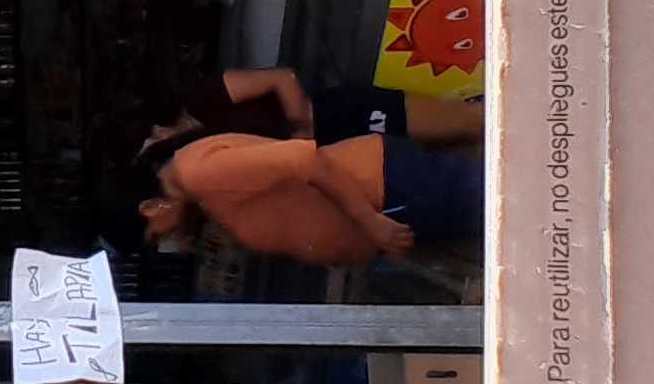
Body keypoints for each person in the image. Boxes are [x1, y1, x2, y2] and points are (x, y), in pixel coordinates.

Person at [114, 126, 481, 269]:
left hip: (386, 190)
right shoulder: (196, 185)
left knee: (500, 205)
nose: (166, 239)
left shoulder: (198, 173)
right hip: (389, 204)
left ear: (150, 207)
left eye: (155, 235)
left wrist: (369, 221)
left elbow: (302, 158)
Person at [152, 66, 482, 150]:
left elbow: (282, 78)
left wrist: (300, 129)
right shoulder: (199, 155)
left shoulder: (203, 98)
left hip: (336, 116)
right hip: (336, 157)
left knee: (465, 123)